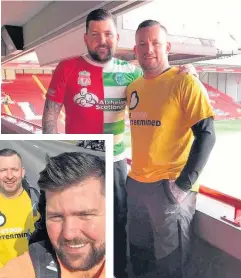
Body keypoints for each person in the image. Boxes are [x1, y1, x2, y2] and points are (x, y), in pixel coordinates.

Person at [41, 8, 198, 278]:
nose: (103, 40)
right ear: (85, 38)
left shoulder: (131, 73)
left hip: (115, 164)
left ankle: (116, 273)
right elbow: (50, 114)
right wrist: (57, 157)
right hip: (79, 161)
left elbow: (160, 78)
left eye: (109, 34)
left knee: (117, 223)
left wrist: (188, 71)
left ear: (116, 37)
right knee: (72, 222)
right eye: (95, 35)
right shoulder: (67, 68)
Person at [126, 20, 216, 278]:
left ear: (168, 47)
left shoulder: (185, 83)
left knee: (171, 264)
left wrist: (182, 186)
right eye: (142, 43)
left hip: (169, 187)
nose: (149, 49)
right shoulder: (134, 87)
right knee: (139, 256)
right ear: (135, 49)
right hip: (136, 184)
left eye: (155, 42)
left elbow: (207, 136)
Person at [0, 152, 106, 278]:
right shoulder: (20, 270)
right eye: (56, 217)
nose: (68, 234)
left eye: (85, 214)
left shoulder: (32, 197)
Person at [0, 149, 39, 268]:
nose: (9, 176)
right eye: (3, 170)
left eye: (14, 170)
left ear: (22, 172)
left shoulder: (37, 202)